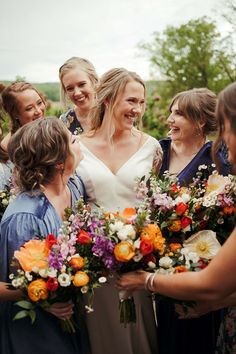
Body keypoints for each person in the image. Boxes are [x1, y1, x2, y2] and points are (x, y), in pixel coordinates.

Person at [116, 82, 236, 353]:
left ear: (200, 121)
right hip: (163, 262)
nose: (170, 119)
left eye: (179, 114)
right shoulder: (160, 151)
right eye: (171, 112)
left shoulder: (218, 159)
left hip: (203, 265)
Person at [77, 68, 163, 354]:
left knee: (140, 333)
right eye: (131, 101)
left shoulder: (151, 147)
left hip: (138, 260)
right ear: (109, 98)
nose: (137, 109)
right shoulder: (77, 146)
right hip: (94, 262)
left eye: (141, 102)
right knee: (103, 336)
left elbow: (155, 202)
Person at [0, 117, 88, 354]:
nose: (77, 139)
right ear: (59, 161)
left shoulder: (74, 186)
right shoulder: (26, 217)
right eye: (71, 139)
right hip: (34, 328)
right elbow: (7, 285)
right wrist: (46, 298)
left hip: (72, 314)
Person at [0, 81, 46, 188]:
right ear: (15, 114)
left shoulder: (42, 131)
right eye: (29, 108)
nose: (38, 111)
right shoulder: (12, 148)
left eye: (39, 103)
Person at [59, 57, 98, 134]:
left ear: (94, 81)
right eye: (70, 88)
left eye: (82, 84)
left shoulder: (112, 114)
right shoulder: (64, 122)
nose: (77, 93)